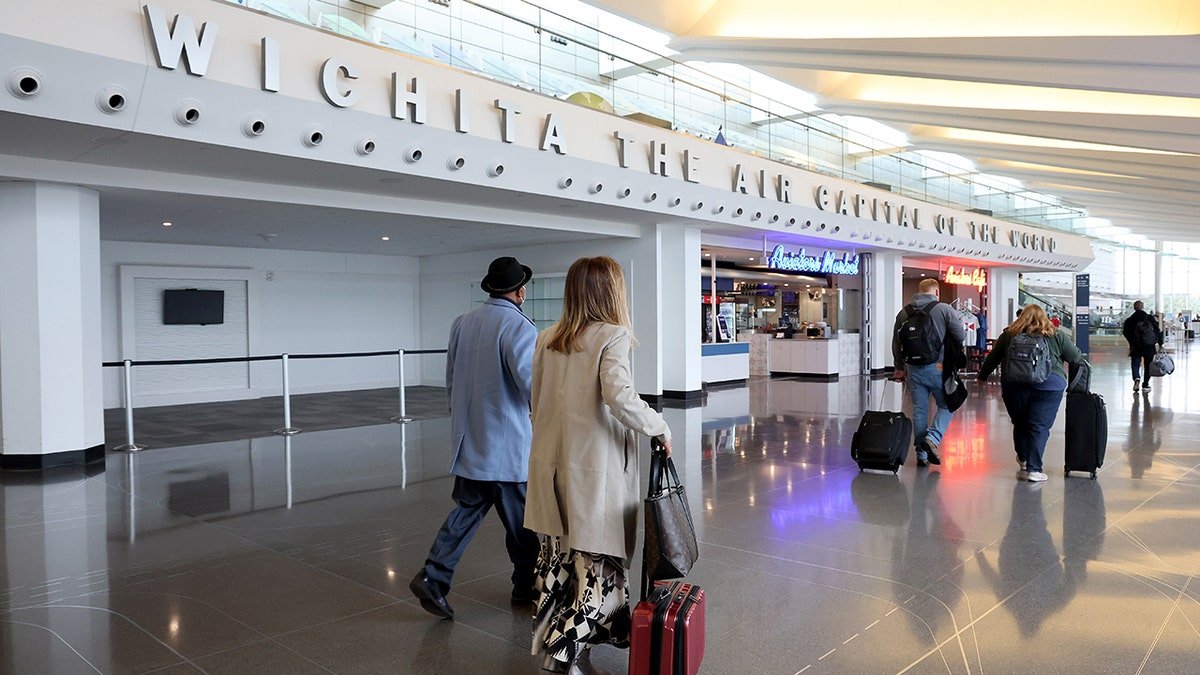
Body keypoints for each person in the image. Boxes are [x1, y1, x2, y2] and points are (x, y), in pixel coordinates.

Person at [525, 256, 672, 673]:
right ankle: (563, 656)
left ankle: (580, 648)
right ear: (612, 291)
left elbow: (535, 402)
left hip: (548, 469)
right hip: (593, 473)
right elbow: (618, 395)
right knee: (598, 576)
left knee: (562, 567)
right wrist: (659, 427)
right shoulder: (613, 335)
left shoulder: (547, 337)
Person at [409, 256, 540, 620]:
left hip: (470, 441)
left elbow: (451, 380)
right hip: (507, 447)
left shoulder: (462, 322)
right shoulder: (519, 327)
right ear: (521, 291)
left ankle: (433, 576)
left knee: (466, 511)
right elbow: (532, 384)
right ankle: (525, 586)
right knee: (523, 524)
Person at [978, 304, 1084, 482]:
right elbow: (1075, 357)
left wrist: (983, 377)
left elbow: (993, 357)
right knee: (1039, 426)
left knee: (1020, 422)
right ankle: (1034, 469)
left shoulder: (1009, 335)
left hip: (1014, 384)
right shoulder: (1056, 334)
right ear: (1045, 317)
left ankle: (1024, 458)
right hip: (1049, 385)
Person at [892, 278, 967, 467]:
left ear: (919, 291)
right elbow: (961, 335)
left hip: (913, 369)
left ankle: (921, 455)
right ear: (936, 292)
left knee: (919, 410)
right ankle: (932, 438)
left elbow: (896, 343)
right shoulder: (943, 309)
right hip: (938, 367)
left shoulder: (904, 312)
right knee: (948, 404)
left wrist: (899, 367)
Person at [1122, 300, 1163, 393]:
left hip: (1136, 346)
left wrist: (1131, 342)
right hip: (1149, 346)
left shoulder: (1130, 320)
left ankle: (1136, 378)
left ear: (1134, 308)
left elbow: (1125, 332)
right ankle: (1145, 384)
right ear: (1143, 307)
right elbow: (1157, 330)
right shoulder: (1149, 318)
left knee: (1135, 364)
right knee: (1148, 365)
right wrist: (1161, 343)